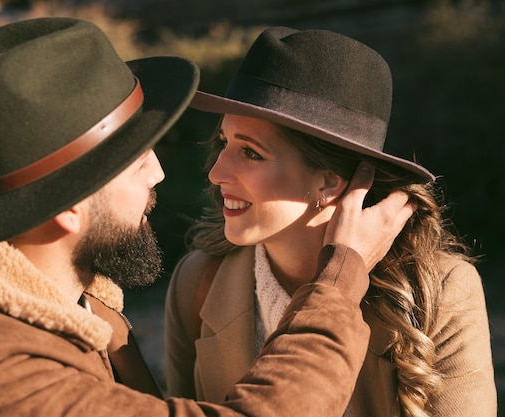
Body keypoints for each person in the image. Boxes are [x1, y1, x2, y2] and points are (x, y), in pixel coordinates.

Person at [0, 17, 416, 417]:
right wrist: (339, 280)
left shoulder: (73, 309)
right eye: (135, 160)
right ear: (68, 207)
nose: (159, 173)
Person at [164, 26, 497, 417]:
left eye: (251, 153)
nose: (216, 173)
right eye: (224, 143)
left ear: (328, 181)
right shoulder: (197, 281)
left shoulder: (437, 290)